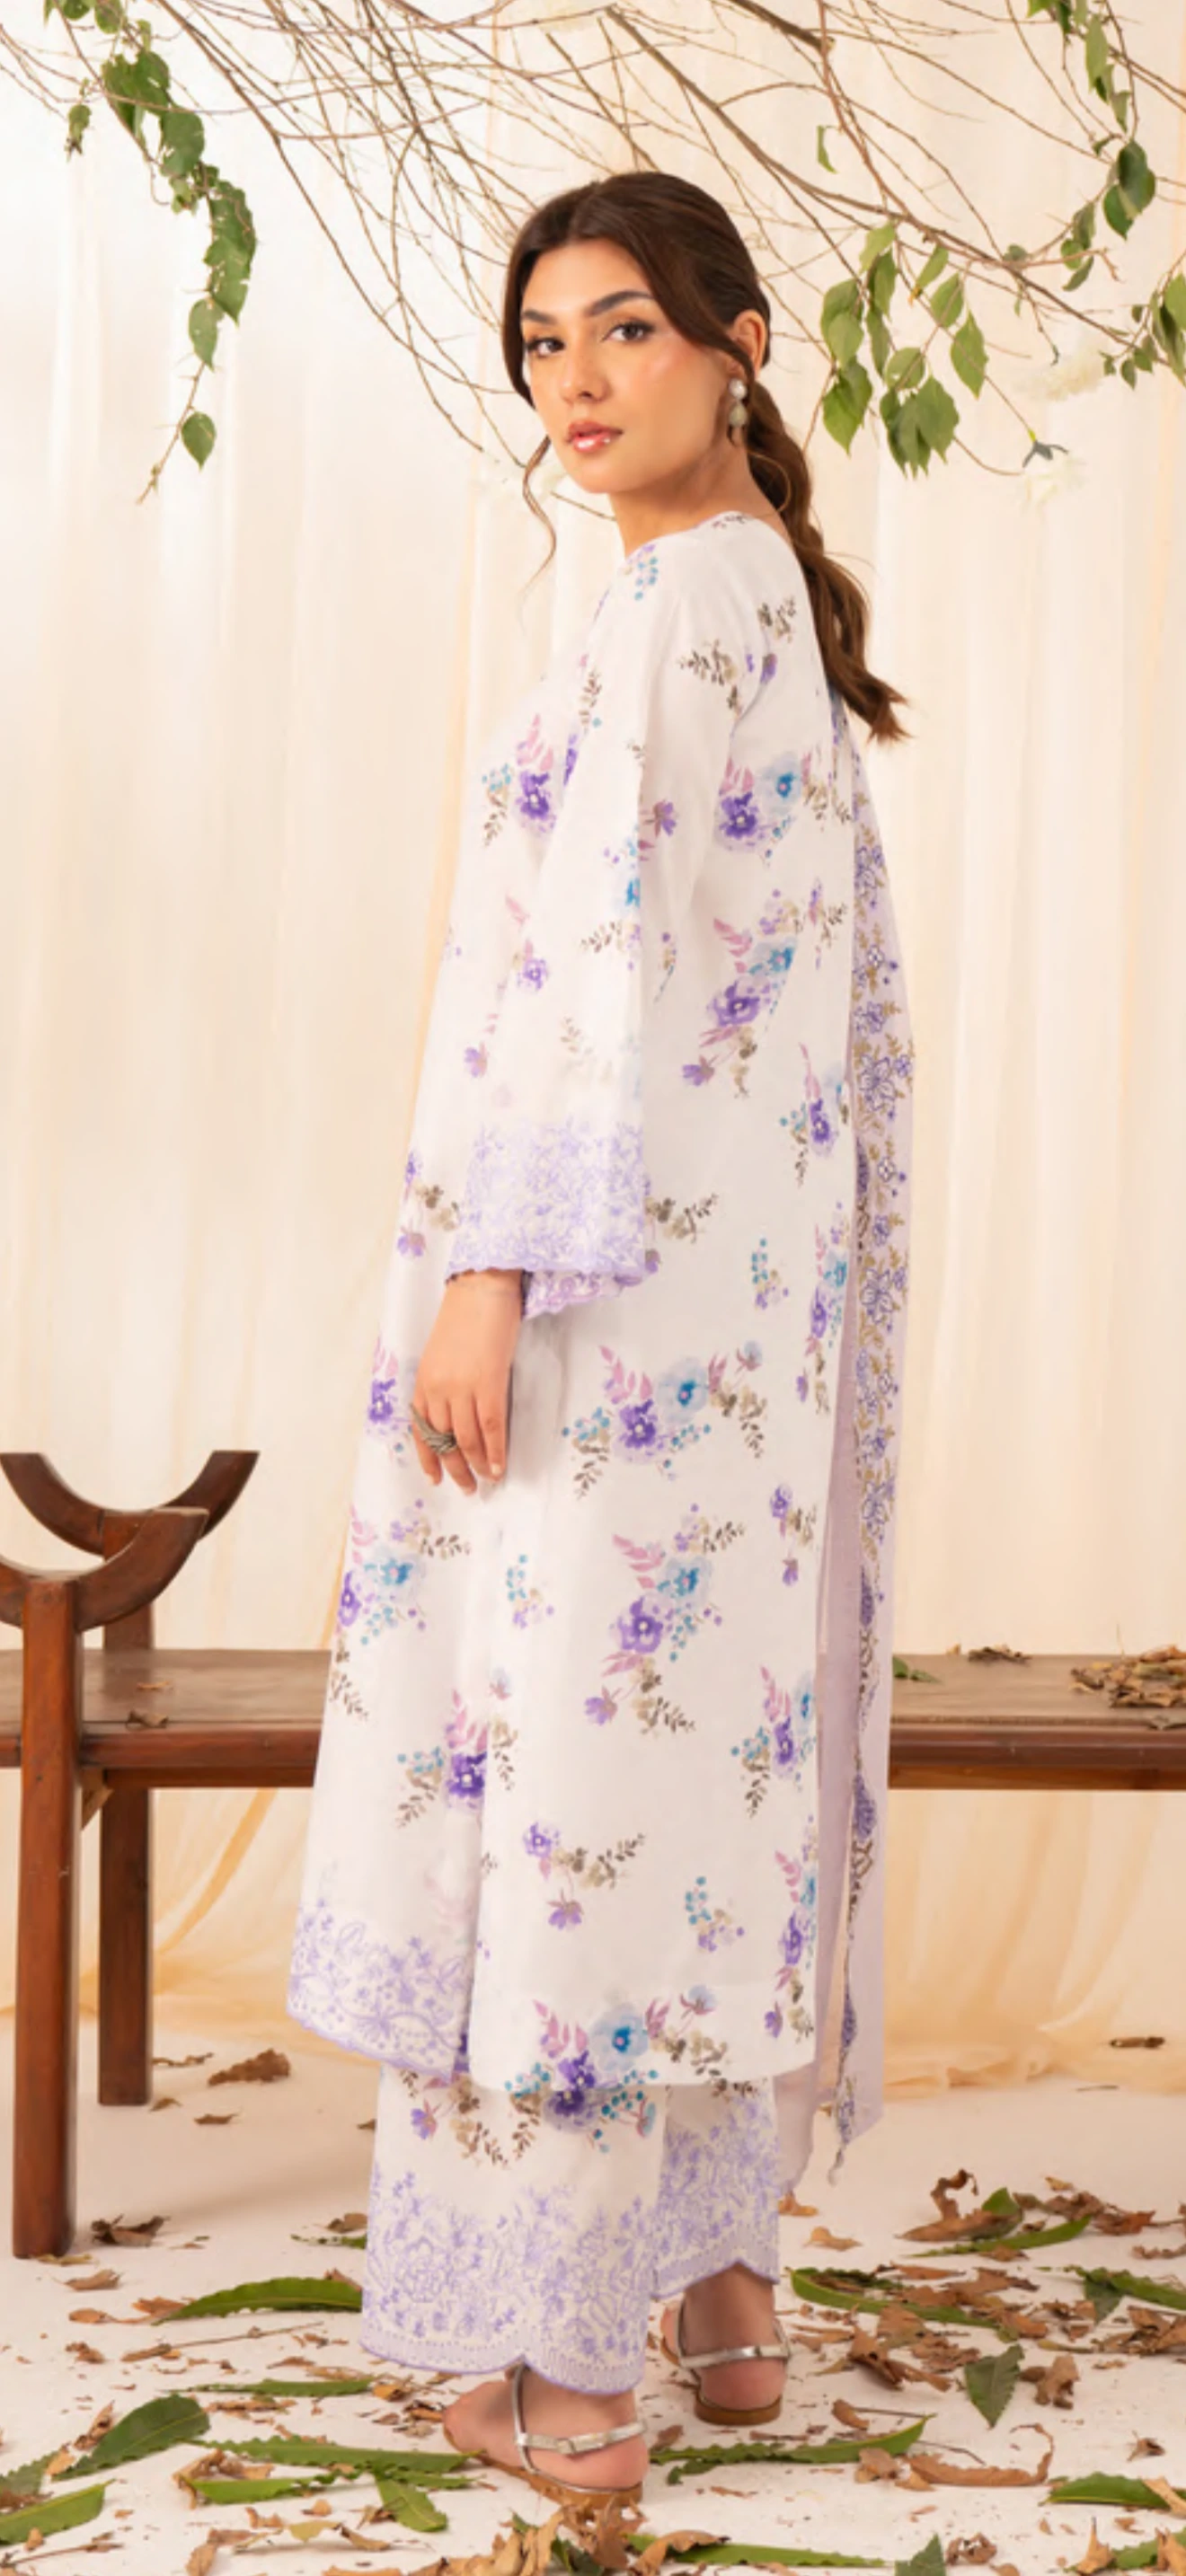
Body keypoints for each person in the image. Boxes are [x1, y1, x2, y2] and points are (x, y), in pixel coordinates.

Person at [288, 169, 915, 2509]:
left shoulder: (671, 601)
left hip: (596, 1305)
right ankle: (720, 2274)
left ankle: (564, 2363)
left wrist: (487, 1276)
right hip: (735, 1335)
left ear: (738, 345)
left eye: (625, 326)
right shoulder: (761, 601)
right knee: (683, 1781)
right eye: (542, 339)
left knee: (556, 1787)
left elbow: (594, 960)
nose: (575, 377)